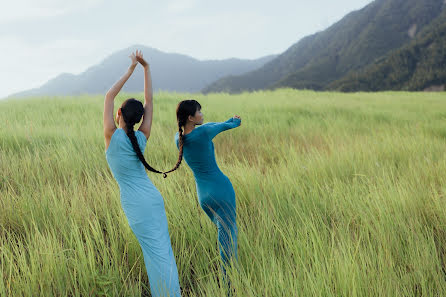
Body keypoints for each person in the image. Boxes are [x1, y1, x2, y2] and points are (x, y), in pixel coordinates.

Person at [103, 50, 181, 297]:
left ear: (118, 115)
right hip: (152, 199)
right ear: (138, 120)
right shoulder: (141, 136)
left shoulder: (111, 135)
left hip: (136, 205)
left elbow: (109, 95)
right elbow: (149, 102)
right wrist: (146, 68)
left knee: (156, 256)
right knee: (162, 254)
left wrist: (131, 69)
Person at [164, 100, 241, 284]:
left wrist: (228, 120)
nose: (201, 113)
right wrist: (235, 120)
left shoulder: (178, 138)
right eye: (199, 111)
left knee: (223, 234)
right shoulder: (204, 132)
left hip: (203, 196)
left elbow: (209, 125)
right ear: (190, 117)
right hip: (221, 190)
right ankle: (230, 285)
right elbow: (223, 126)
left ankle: (229, 280)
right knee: (228, 238)